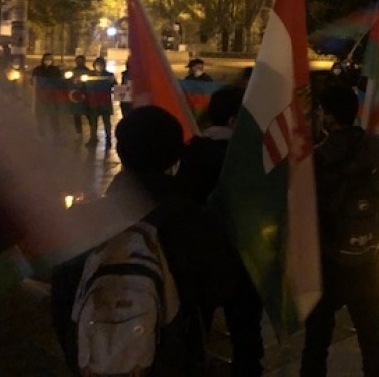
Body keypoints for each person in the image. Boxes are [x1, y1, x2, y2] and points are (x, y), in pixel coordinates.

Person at [51, 106, 239, 376]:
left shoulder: (81, 220)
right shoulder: (194, 221)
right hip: (173, 363)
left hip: (93, 361)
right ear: (175, 157)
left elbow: (61, 299)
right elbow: (220, 289)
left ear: (121, 151)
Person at [301, 86, 379, 377]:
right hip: (366, 254)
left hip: (327, 259)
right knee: (371, 339)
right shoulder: (376, 146)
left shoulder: (317, 158)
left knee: (316, 341)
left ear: (328, 117)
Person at [176, 86, 264, 377]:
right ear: (233, 120)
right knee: (246, 332)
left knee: (195, 330)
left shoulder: (190, 153)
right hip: (242, 257)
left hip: (198, 259)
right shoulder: (250, 157)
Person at [30, 52, 63, 140]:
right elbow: (33, 81)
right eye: (46, 59)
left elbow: (60, 82)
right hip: (41, 98)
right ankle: (41, 133)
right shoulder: (37, 70)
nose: (48, 61)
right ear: (43, 60)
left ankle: (56, 134)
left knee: (54, 117)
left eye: (50, 59)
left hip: (52, 97)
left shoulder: (55, 70)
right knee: (40, 117)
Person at [86, 56, 116, 148]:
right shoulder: (90, 75)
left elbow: (115, 86)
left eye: (101, 65)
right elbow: (85, 86)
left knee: (106, 121)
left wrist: (112, 81)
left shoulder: (109, 75)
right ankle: (93, 138)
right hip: (93, 101)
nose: (99, 66)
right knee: (93, 121)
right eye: (97, 65)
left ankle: (108, 139)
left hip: (105, 101)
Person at [69, 55, 91, 139]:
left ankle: (92, 132)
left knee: (88, 114)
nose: (79, 63)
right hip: (75, 96)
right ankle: (78, 133)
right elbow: (68, 83)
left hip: (86, 96)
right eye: (78, 61)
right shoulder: (73, 71)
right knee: (77, 115)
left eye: (81, 61)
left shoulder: (88, 71)